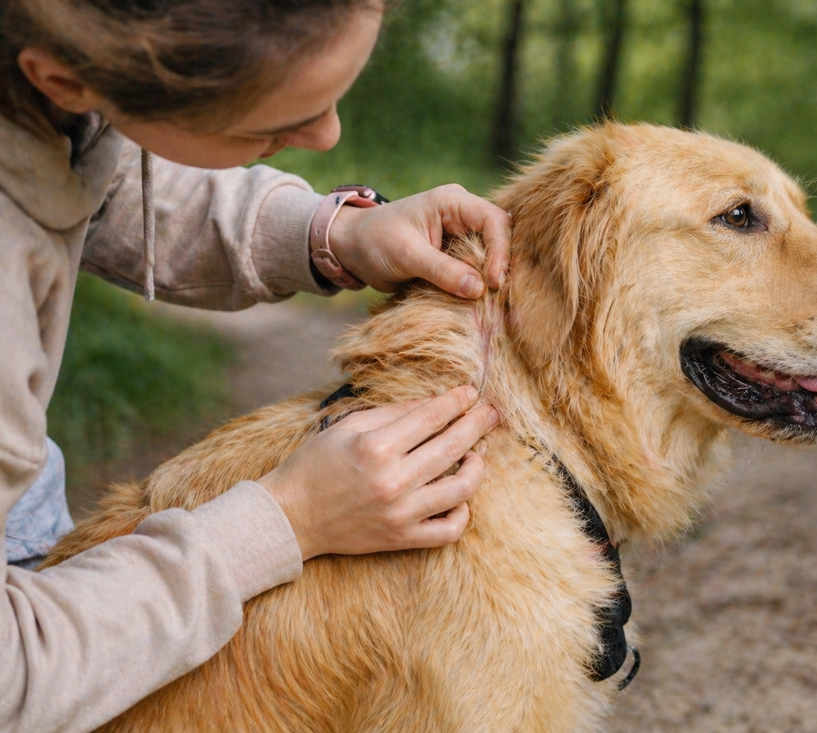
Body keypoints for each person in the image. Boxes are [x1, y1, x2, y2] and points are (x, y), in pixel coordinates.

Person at [0, 1, 512, 730]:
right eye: (269, 127)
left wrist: (337, 232)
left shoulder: (46, 77)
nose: (328, 135)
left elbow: (101, 175)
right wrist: (290, 518)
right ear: (64, 77)